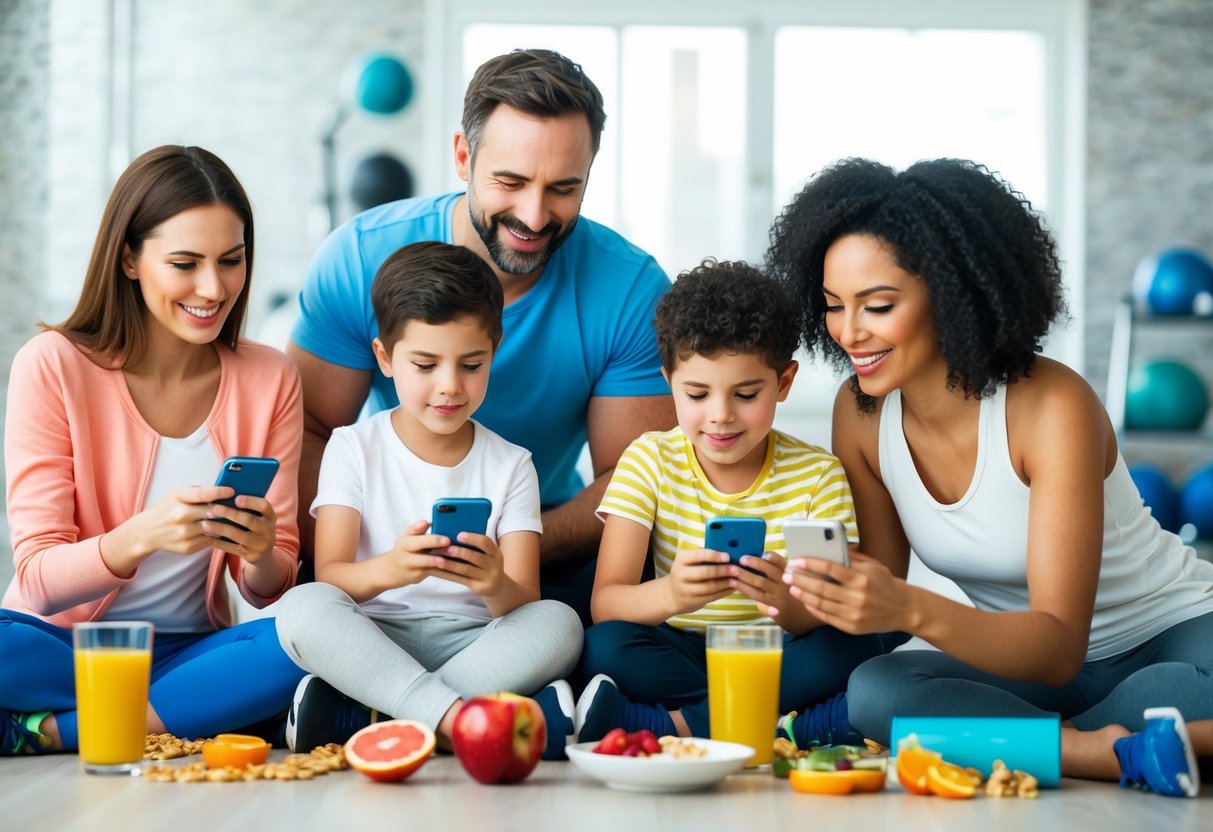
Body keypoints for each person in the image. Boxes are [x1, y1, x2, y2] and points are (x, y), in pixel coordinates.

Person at [767, 156, 1213, 796]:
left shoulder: (1051, 407)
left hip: (1169, 637)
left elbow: (1058, 644)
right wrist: (798, 602)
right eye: (835, 307)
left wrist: (907, 607)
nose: (849, 333)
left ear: (953, 295)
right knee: (877, 692)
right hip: (1025, 667)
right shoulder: (861, 414)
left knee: (1171, 691)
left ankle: (1041, 745)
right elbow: (884, 589)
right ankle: (1104, 751)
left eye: (879, 305)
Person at [287, 49, 675, 622]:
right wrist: (380, 558)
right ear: (463, 156)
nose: (535, 215)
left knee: (601, 609)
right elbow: (310, 432)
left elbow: (633, 477)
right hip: (377, 546)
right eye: (510, 181)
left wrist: (502, 554)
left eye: (564, 188)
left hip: (541, 538)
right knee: (307, 605)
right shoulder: (358, 257)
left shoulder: (630, 288)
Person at [0, 145, 306, 756]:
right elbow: (36, 578)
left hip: (193, 646)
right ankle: (188, 711)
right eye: (185, 263)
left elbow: (272, 587)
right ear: (130, 260)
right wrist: (143, 535)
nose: (213, 288)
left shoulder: (271, 378)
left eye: (231, 260)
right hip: (59, 645)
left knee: (305, 639)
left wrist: (261, 551)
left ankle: (44, 730)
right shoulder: (53, 366)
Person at [574, 260, 902, 746]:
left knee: (851, 645)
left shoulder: (818, 475)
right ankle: (777, 723)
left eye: (746, 394)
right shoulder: (649, 459)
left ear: (783, 383)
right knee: (604, 646)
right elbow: (607, 602)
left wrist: (784, 603)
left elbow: (829, 609)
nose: (721, 416)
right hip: (681, 649)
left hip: (776, 651)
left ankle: (676, 726)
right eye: (698, 394)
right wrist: (674, 595)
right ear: (669, 382)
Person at [275, 242, 583, 759]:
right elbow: (331, 574)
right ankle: (463, 720)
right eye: (425, 364)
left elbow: (523, 598)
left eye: (471, 364)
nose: (449, 386)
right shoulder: (353, 447)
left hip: (475, 641)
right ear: (385, 358)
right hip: (374, 636)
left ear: (495, 350)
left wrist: (493, 583)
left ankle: (374, 717)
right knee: (303, 608)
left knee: (560, 622)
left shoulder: (512, 465)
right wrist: (393, 569)